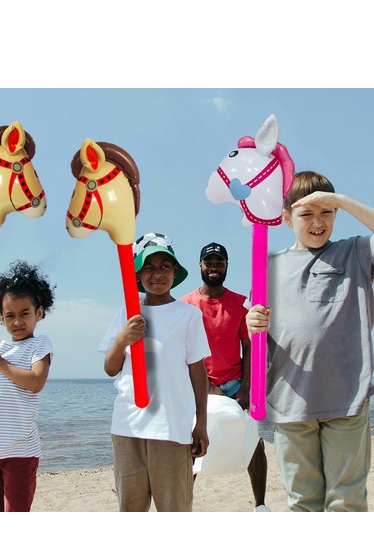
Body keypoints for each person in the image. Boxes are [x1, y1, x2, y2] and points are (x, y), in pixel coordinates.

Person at [246, 171, 374, 512]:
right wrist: (251, 322)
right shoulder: (267, 265)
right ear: (287, 218)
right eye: (306, 214)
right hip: (290, 403)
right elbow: (256, 326)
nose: (318, 222)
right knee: (303, 502)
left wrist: (342, 200)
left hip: (347, 399)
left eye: (326, 212)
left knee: (346, 500)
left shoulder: (356, 252)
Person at [98, 232, 210, 512]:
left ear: (175, 272)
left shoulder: (188, 316)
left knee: (174, 507)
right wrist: (123, 338)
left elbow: (198, 372)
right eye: (148, 267)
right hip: (127, 426)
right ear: (137, 275)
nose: (157, 274)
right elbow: (111, 368)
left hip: (171, 427)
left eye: (164, 266)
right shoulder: (127, 314)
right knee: (130, 506)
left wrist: (201, 423)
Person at [181, 242, 270, 512]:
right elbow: (183, 353)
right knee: (191, 448)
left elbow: (249, 347)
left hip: (235, 386)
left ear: (227, 266)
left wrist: (247, 388)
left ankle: (261, 506)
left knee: (255, 444)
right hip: (197, 386)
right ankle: (182, 507)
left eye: (219, 263)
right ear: (200, 265)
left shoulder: (241, 303)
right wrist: (206, 386)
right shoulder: (185, 304)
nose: (214, 267)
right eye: (209, 262)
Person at [0, 260, 55, 512]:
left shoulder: (39, 345)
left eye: (24, 313)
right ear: (0, 319)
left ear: (38, 313)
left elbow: (36, 382)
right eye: (9, 316)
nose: (17, 321)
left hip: (19, 450)